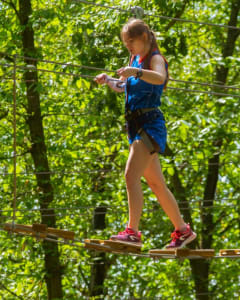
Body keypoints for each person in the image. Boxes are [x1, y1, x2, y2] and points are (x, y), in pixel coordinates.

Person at [95, 18, 196, 249]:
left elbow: (159, 78)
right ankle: (183, 230)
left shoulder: (154, 58)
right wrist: (108, 80)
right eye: (125, 42)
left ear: (143, 38)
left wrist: (137, 71)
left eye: (130, 41)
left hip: (150, 125)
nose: (127, 46)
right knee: (156, 183)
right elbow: (123, 87)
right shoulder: (135, 60)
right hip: (135, 126)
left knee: (131, 176)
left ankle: (132, 232)